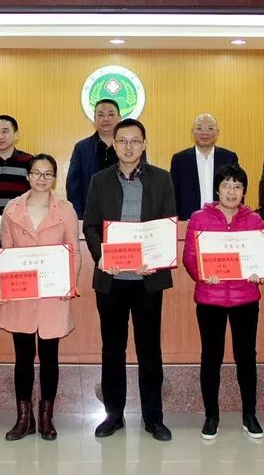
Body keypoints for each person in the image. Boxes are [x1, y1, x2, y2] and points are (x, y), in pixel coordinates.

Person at [83, 118, 176, 442]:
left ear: (144, 144)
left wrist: (157, 258)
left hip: (148, 280)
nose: (128, 147)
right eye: (122, 141)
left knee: (150, 349)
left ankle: (153, 418)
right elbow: (90, 226)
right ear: (114, 144)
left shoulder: (162, 179)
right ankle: (114, 415)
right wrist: (102, 256)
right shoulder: (99, 180)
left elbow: (167, 225)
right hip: (111, 280)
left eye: (135, 141)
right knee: (113, 350)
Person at [0, 154, 80, 441]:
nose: (41, 179)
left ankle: (46, 417)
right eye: (36, 173)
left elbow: (73, 251)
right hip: (21, 293)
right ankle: (24, 418)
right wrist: (2, 285)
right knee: (23, 357)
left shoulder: (65, 210)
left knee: (49, 357)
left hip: (53, 294)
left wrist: (69, 284)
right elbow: (5, 251)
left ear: (54, 178)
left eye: (47, 174)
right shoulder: (12, 208)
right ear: (27, 176)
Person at [181, 163, 264, 441]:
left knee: (247, 357)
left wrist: (258, 272)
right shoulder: (199, 218)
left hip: (245, 298)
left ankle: (249, 415)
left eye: (237, 186)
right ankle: (211, 416)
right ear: (217, 189)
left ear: (244, 191)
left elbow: (261, 257)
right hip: (211, 298)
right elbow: (190, 256)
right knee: (211, 357)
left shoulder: (254, 220)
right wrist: (203, 274)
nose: (231, 191)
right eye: (226, 185)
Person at [169, 113, 239, 220]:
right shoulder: (180, 160)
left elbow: (237, 190)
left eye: (210, 128)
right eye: (199, 128)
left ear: (217, 133)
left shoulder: (229, 158)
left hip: (223, 221)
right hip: (189, 222)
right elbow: (173, 195)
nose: (205, 133)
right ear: (192, 132)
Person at [65, 98, 121, 219]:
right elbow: (73, 185)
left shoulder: (130, 147)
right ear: (94, 119)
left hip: (123, 216)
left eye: (111, 114)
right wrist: (80, 217)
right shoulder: (82, 147)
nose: (106, 119)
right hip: (90, 216)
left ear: (119, 118)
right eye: (100, 115)